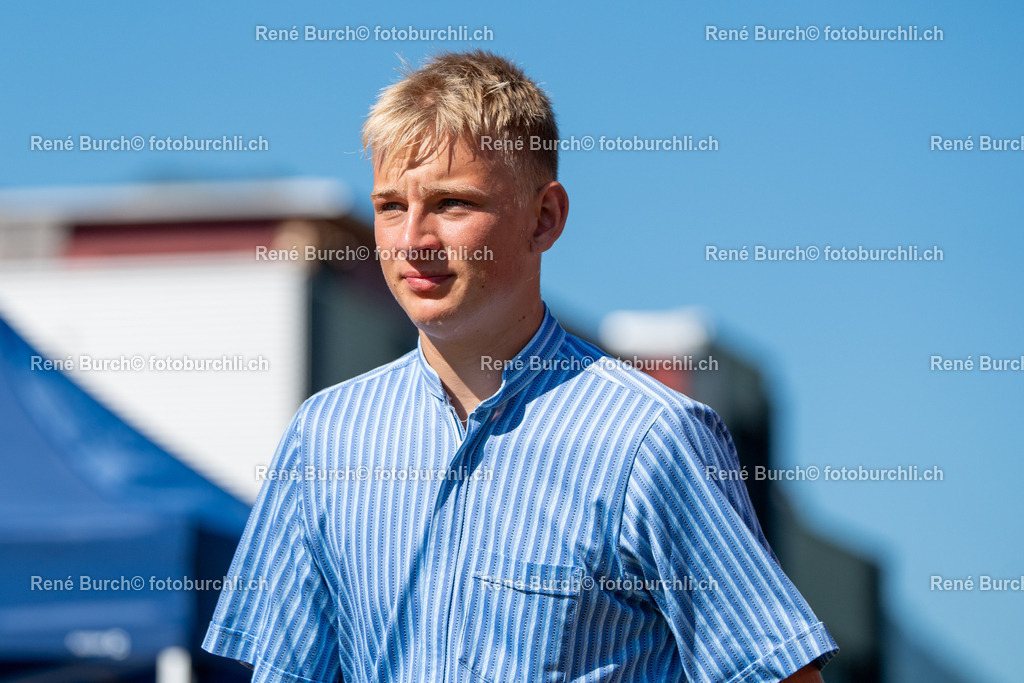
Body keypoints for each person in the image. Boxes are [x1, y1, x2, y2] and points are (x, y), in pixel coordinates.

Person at [202, 50, 838, 683]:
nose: (413, 239)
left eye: (451, 204)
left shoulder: (650, 440)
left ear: (545, 217)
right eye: (391, 206)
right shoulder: (326, 436)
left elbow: (778, 673)